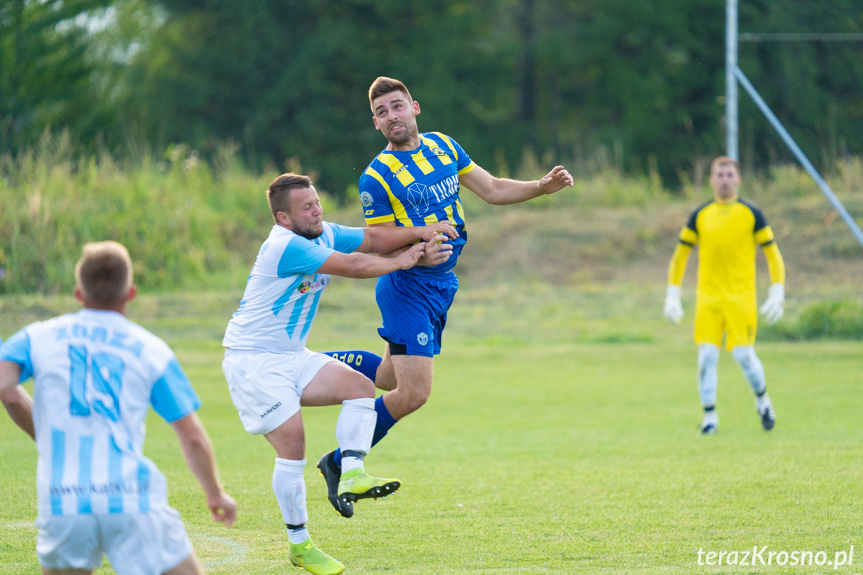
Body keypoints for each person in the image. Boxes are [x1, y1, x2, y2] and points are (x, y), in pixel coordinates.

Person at [317, 76, 574, 516]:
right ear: (376, 124)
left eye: (396, 106)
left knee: (388, 377)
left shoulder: (443, 146)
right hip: (407, 287)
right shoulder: (375, 177)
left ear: (414, 108)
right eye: (381, 113)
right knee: (414, 393)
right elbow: (380, 241)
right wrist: (417, 251)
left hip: (441, 285)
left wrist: (539, 187)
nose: (391, 116)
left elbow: (491, 189)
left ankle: (312, 363)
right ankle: (341, 461)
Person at [221, 173, 456, 575]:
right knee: (293, 445)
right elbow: (354, 265)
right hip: (253, 361)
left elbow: (372, 239)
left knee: (360, 386)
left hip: (292, 355)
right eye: (306, 207)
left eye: (316, 202)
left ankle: (351, 473)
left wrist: (423, 230)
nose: (317, 211)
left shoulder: (323, 232)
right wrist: (406, 260)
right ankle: (300, 544)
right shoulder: (285, 246)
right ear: (283, 218)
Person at [0, 241, 236, 575]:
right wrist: (216, 494)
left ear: (78, 293)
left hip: (62, 500)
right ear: (131, 294)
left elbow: (6, 389)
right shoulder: (151, 350)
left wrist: (49, 435)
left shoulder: (37, 338)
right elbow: (193, 437)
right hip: (130, 498)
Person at [663, 156, 786, 435]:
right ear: (711, 180)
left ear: (738, 179)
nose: (725, 180)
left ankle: (763, 401)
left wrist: (777, 290)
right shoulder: (700, 215)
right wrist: (673, 294)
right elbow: (680, 256)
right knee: (706, 357)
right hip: (708, 299)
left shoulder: (752, 214)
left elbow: (772, 254)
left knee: (744, 355)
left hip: (741, 298)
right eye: (720, 175)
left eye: (730, 174)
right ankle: (709, 418)